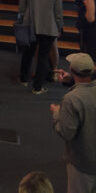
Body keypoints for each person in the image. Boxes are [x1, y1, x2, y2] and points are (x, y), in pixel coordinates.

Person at [51, 52, 96, 193]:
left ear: (71, 69)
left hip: (83, 162)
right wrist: (71, 80)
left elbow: (66, 132)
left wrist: (57, 113)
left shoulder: (71, 99)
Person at [19, 0, 64, 94]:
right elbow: (58, 14)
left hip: (30, 25)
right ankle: (37, 87)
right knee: (43, 57)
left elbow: (22, 9)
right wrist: (59, 27)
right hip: (49, 28)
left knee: (27, 54)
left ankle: (23, 79)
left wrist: (21, 20)